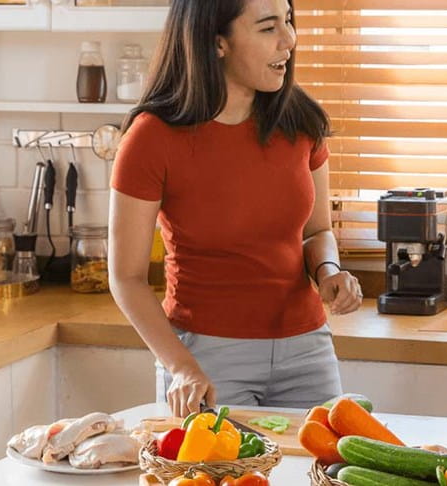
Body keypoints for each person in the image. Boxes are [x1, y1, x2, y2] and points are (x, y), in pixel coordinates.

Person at [108, 0, 363, 418]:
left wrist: (329, 272)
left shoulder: (300, 120)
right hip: (206, 355)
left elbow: (316, 232)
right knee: (219, 463)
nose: (289, 40)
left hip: (307, 348)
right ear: (217, 42)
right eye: (267, 27)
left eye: (288, 21)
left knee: (320, 461)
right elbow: (126, 277)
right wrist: (181, 368)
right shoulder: (152, 138)